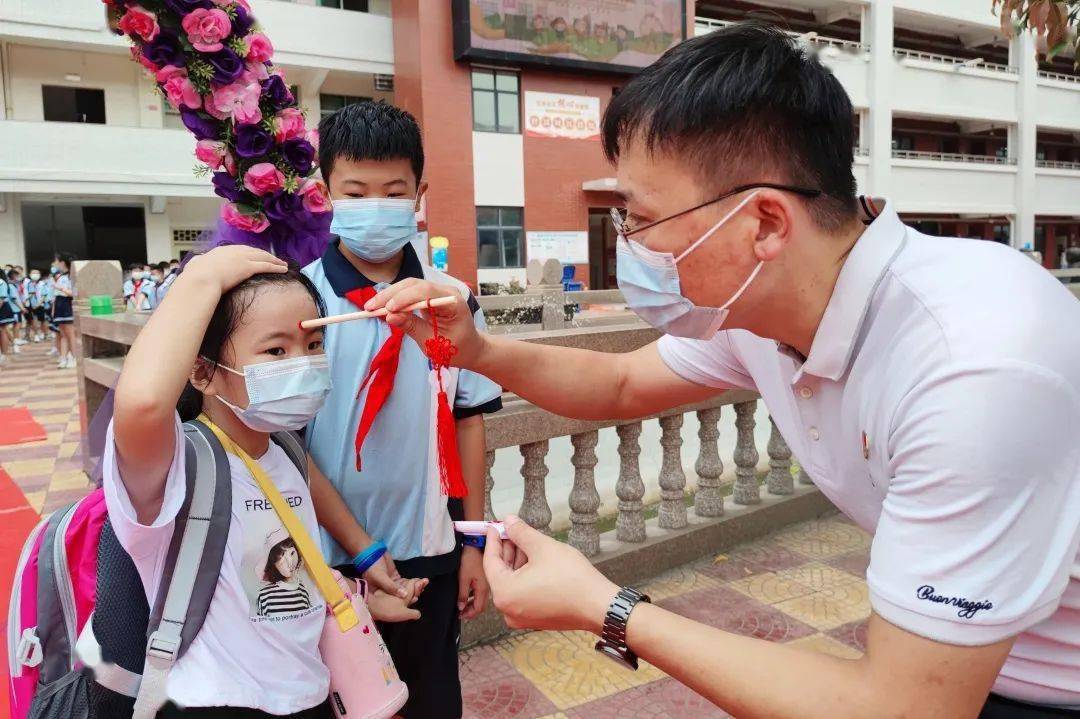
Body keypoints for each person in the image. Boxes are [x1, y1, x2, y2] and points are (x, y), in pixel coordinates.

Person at [365, 23, 1080, 719]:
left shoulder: (970, 368)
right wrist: (478, 352)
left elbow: (903, 704)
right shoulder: (764, 309)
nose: (631, 245)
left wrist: (603, 606)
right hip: (970, 654)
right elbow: (621, 384)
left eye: (640, 219)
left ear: (765, 222)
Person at [105, 244, 425, 718]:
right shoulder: (173, 470)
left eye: (314, 345)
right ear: (203, 372)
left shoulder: (285, 453)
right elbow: (143, 405)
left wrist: (356, 596)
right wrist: (202, 278)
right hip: (216, 704)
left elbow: (276, 583)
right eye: (276, 349)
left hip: (308, 697)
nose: (303, 362)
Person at [302, 100, 503, 719]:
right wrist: (361, 551)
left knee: (431, 697)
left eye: (393, 190)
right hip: (327, 558)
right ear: (324, 192)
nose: (376, 204)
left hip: (431, 547)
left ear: (419, 192)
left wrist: (475, 543)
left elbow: (469, 421)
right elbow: (285, 444)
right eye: (355, 191)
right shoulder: (299, 298)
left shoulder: (454, 301)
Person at [51, 253, 77, 369]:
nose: (56, 264)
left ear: (62, 262)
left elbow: (74, 293)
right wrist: (53, 309)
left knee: (70, 334)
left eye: (57, 261)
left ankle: (74, 357)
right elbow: (56, 296)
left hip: (67, 305)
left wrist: (61, 288)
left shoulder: (72, 276)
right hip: (60, 306)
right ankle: (63, 358)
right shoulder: (61, 277)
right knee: (63, 334)